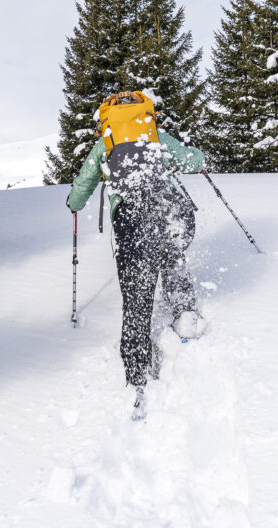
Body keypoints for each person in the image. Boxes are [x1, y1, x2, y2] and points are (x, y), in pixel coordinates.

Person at [66, 91, 207, 414]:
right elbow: (193, 161)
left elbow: (83, 185)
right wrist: (192, 153)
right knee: (172, 259)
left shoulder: (106, 142)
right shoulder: (154, 135)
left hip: (131, 221)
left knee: (137, 297)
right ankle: (185, 315)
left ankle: (137, 370)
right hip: (167, 209)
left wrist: (73, 204)